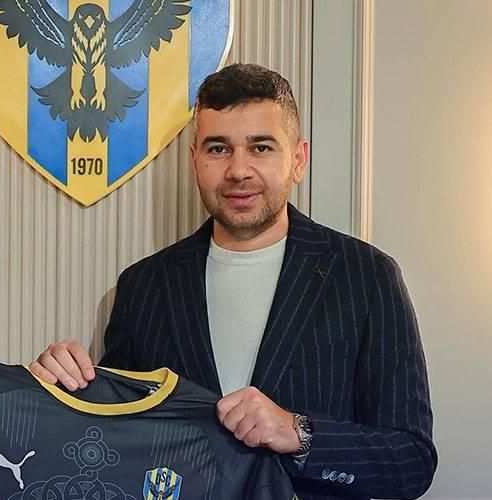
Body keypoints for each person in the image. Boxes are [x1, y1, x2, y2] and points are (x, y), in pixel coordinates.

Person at [30, 63, 436, 499]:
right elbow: (114, 444)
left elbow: (411, 461)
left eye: (260, 147)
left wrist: (298, 433)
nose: (238, 170)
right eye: (219, 148)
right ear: (195, 160)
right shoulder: (143, 286)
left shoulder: (367, 277)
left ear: (298, 159)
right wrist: (58, 395)